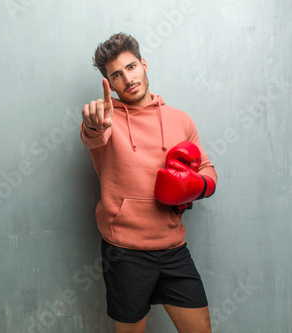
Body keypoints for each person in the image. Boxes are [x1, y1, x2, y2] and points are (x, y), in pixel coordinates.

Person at [80, 33, 217, 333]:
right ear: (110, 83)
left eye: (131, 67)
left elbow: (208, 170)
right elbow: (93, 135)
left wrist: (196, 186)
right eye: (116, 75)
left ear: (143, 64)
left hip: (174, 249)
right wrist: (93, 124)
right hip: (125, 252)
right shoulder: (106, 118)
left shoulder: (181, 120)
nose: (127, 78)